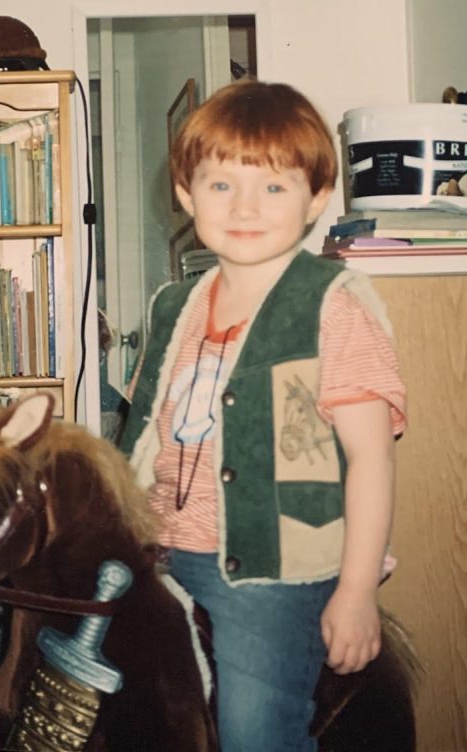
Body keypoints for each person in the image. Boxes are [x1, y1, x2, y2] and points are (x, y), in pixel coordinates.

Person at [119, 79, 406, 752]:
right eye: (221, 186)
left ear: (314, 199)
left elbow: (369, 455)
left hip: (272, 569)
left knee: (253, 729)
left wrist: (356, 590)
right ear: (187, 194)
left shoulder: (330, 306)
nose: (245, 207)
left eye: (273, 187)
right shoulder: (170, 306)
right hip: (157, 547)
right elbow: (137, 438)